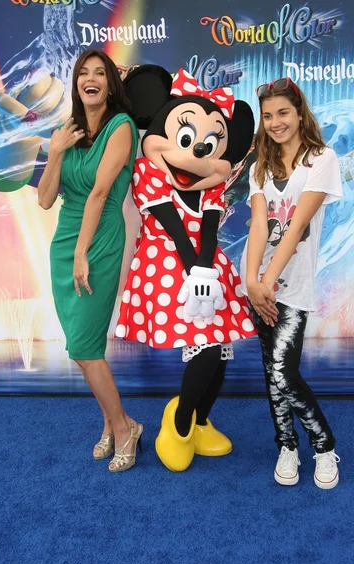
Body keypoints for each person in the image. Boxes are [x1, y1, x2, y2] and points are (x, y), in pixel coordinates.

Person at [116, 66, 256, 472]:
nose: (197, 151)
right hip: (168, 267)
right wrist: (194, 272)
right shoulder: (148, 174)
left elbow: (209, 228)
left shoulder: (212, 186)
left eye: (211, 144)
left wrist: (206, 271)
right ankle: (177, 425)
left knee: (220, 351)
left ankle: (199, 420)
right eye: (187, 138)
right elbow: (172, 227)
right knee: (208, 347)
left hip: (208, 269)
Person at [37, 49, 142, 473]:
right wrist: (56, 150)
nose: (91, 78)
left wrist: (83, 252)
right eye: (84, 72)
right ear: (77, 82)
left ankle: (123, 428)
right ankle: (114, 423)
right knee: (86, 349)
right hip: (65, 240)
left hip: (98, 241)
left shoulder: (122, 126)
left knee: (83, 345)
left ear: (110, 84)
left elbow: (100, 193)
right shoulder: (70, 129)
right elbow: (45, 199)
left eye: (100, 73)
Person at [240, 77, 343, 489]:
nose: (275, 122)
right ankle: (286, 445)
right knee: (271, 373)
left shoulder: (322, 158)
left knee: (284, 372)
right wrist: (251, 281)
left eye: (283, 112)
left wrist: (266, 282)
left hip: (292, 287)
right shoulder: (260, 167)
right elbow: (260, 227)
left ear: (300, 113)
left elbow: (298, 223)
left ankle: (323, 446)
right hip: (259, 287)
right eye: (267, 116)